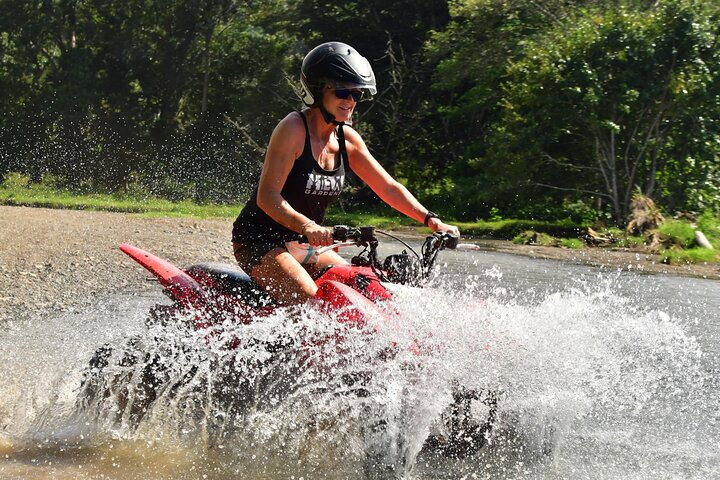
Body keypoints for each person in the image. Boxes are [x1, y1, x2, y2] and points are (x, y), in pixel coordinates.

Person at [232, 41, 459, 305]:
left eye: (357, 94)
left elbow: (387, 187)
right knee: (309, 299)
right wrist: (308, 226)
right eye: (342, 91)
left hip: (305, 243)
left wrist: (431, 220)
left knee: (358, 285)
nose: (350, 101)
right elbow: (267, 196)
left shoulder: (347, 139)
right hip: (260, 240)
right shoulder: (293, 129)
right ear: (318, 90)